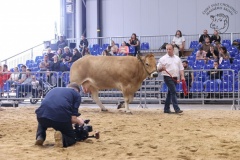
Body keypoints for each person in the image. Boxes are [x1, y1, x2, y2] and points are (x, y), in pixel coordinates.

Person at [35, 82, 84, 148]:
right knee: (72, 138)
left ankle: (40, 136)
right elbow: (73, 118)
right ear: (77, 91)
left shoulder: (54, 89)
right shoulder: (76, 95)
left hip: (41, 116)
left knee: (44, 116)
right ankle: (62, 139)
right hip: (60, 118)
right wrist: (80, 121)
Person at [157, 44, 184, 114]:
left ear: (173, 49)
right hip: (167, 76)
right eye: (167, 49)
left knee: (170, 93)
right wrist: (161, 68)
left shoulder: (177, 58)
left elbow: (181, 68)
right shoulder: (163, 59)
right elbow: (158, 69)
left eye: (170, 49)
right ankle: (176, 108)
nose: (168, 51)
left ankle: (166, 109)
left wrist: (182, 76)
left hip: (175, 77)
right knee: (173, 91)